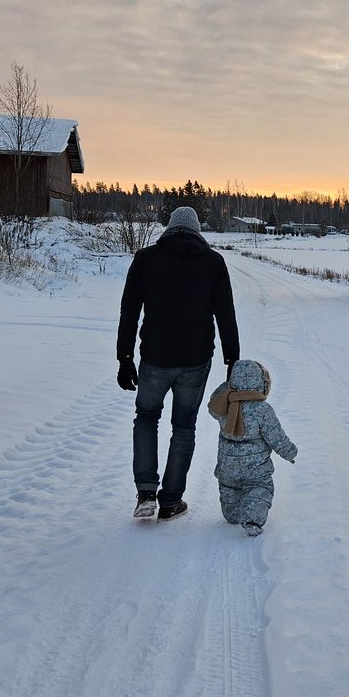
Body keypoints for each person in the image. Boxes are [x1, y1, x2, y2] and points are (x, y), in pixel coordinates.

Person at [117, 206, 239, 521]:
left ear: (169, 228)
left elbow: (129, 311)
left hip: (155, 358)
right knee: (183, 426)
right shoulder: (213, 262)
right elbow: (225, 313)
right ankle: (170, 501)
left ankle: (146, 493)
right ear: (197, 230)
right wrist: (232, 360)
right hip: (195, 360)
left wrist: (125, 357)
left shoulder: (146, 259)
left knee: (146, 418)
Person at [208, 359, 296, 537]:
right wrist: (290, 451)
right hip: (256, 471)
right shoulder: (262, 409)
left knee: (229, 489)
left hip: (227, 468)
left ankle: (232, 514)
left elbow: (212, 402)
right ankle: (252, 519)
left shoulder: (224, 405)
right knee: (260, 489)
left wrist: (227, 386)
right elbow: (276, 436)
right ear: (262, 383)